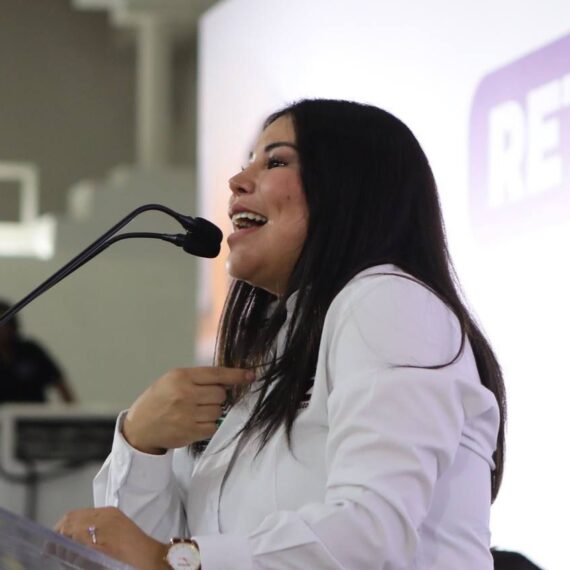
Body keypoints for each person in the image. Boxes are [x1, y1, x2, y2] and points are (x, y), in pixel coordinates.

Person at [56, 99, 506, 570]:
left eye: (275, 161)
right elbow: (145, 557)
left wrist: (177, 559)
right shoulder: (277, 346)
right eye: (246, 161)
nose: (236, 182)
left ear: (349, 188)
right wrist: (141, 443)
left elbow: (373, 532)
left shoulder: (388, 300)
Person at [0, 300, 75, 404]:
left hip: (35, 416)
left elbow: (59, 383)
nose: (1, 329)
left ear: (12, 325)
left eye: (5, 324)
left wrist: (73, 416)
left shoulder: (30, 350)